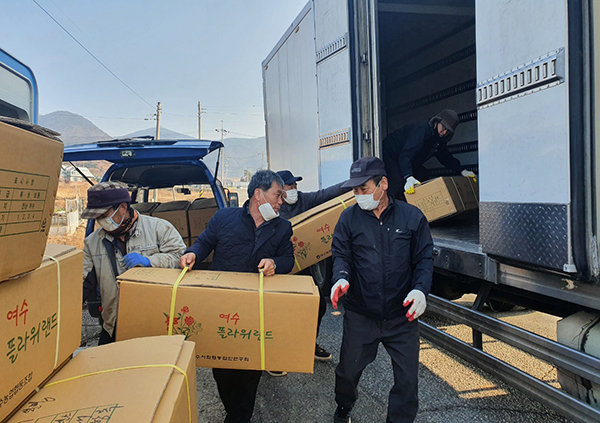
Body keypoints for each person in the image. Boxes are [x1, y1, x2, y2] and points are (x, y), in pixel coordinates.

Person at [179, 170, 294, 423]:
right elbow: (204, 242)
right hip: (222, 308)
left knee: (249, 371)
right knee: (222, 371)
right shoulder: (224, 218)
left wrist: (275, 262)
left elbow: (289, 260)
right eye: (277, 195)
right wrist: (192, 254)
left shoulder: (282, 227)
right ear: (258, 194)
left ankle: (238, 417)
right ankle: (235, 412)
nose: (280, 201)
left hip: (256, 309)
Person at [329, 157, 434, 423]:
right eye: (354, 190)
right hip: (361, 314)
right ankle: (344, 407)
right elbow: (341, 255)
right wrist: (341, 278)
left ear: (383, 184)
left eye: (363, 189)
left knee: (407, 381)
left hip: (401, 316)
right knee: (347, 374)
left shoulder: (412, 217)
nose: (358, 196)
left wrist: (421, 290)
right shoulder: (349, 218)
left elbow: (423, 258)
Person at [82, 182, 186, 345]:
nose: (100, 221)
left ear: (123, 207)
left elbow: (180, 258)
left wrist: (149, 261)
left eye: (104, 215)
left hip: (155, 321)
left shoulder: (159, 228)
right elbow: (83, 282)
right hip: (114, 323)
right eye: (97, 218)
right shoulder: (93, 242)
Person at [276, 169, 349, 363]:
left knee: (317, 306)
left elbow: (327, 193)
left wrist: (354, 182)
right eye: (289, 185)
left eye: (295, 185)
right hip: (281, 268)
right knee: (282, 310)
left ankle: (309, 344)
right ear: (278, 189)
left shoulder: (304, 200)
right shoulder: (273, 207)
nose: (294, 189)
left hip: (305, 266)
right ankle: (276, 352)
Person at [382, 109, 476, 198]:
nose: (444, 132)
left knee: (423, 175)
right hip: (390, 153)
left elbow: (444, 157)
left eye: (448, 131)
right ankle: (388, 209)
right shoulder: (421, 131)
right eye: (443, 127)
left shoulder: (438, 139)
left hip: (405, 157)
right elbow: (405, 154)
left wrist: (461, 170)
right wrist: (408, 176)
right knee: (397, 180)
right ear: (437, 121)